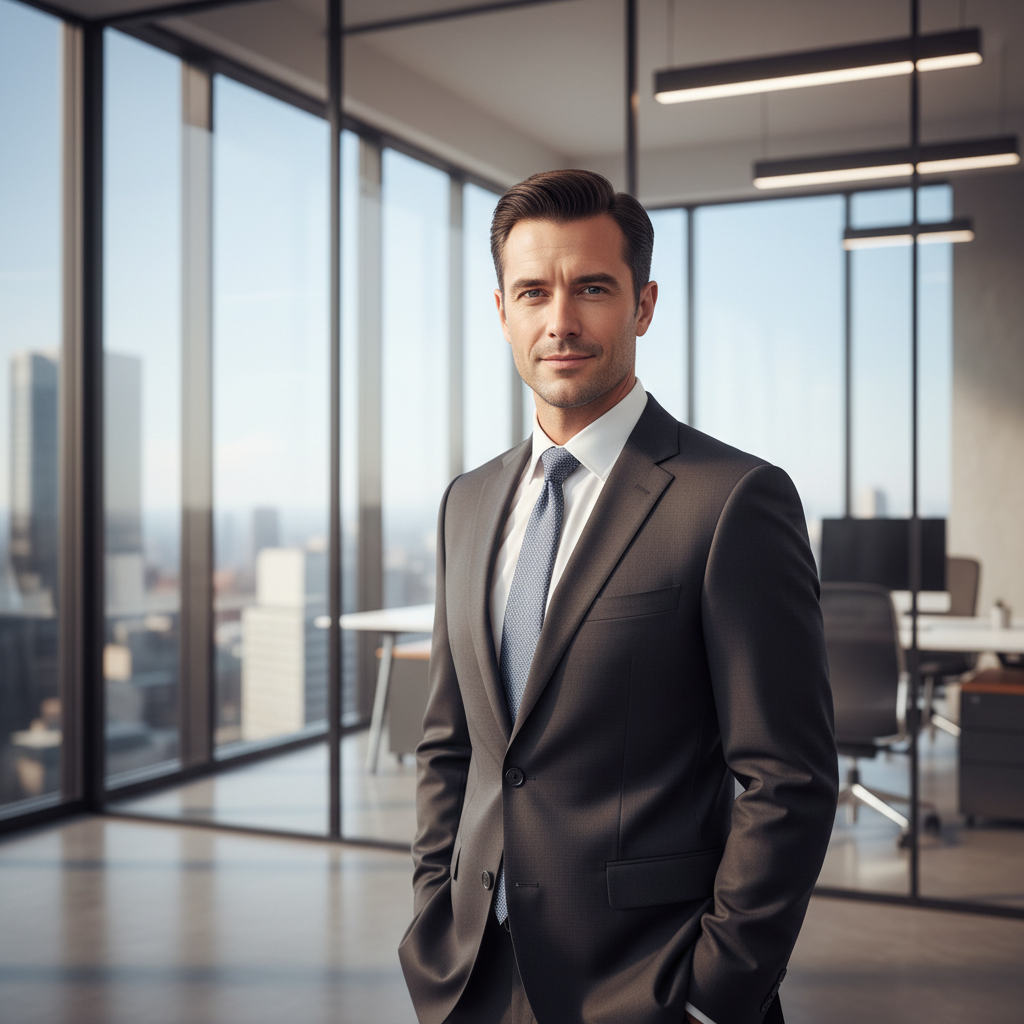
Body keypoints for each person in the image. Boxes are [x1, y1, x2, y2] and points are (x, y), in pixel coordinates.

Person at [398, 168, 838, 1024]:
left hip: (653, 985)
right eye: (534, 292)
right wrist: (433, 919)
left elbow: (789, 778)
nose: (560, 321)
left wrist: (716, 994)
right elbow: (452, 746)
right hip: (473, 980)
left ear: (643, 305)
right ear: (502, 312)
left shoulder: (732, 499)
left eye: (592, 288)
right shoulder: (468, 502)